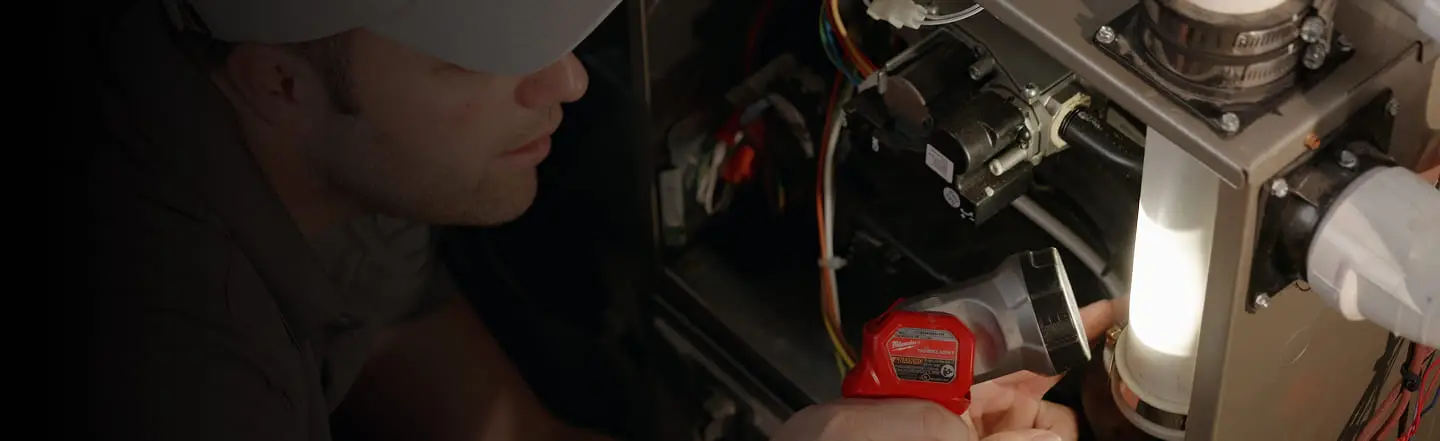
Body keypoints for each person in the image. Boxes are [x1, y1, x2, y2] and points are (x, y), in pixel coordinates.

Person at [75, 0, 1112, 440]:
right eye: (482, 60)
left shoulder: (334, 162)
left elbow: (508, 433)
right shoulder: (166, 364)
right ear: (278, 84)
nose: (566, 81)